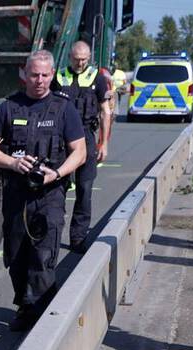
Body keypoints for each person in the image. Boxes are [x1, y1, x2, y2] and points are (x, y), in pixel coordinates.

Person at [0, 50, 88, 332]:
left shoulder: (64, 109)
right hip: (16, 194)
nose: (39, 80)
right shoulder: (8, 107)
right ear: (24, 74)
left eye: (44, 75)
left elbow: (80, 152)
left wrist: (58, 173)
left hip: (49, 195)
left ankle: (43, 315)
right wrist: (13, 163)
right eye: (34, 75)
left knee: (43, 255)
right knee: (16, 255)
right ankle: (26, 306)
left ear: (52, 75)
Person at [51, 41, 114, 253]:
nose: (80, 63)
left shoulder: (97, 78)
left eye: (84, 59)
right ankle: (53, 232)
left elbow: (106, 111)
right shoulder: (58, 77)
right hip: (61, 139)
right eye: (77, 59)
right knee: (56, 187)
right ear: (70, 57)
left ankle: (78, 238)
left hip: (86, 136)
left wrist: (104, 143)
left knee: (85, 189)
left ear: (89, 58)